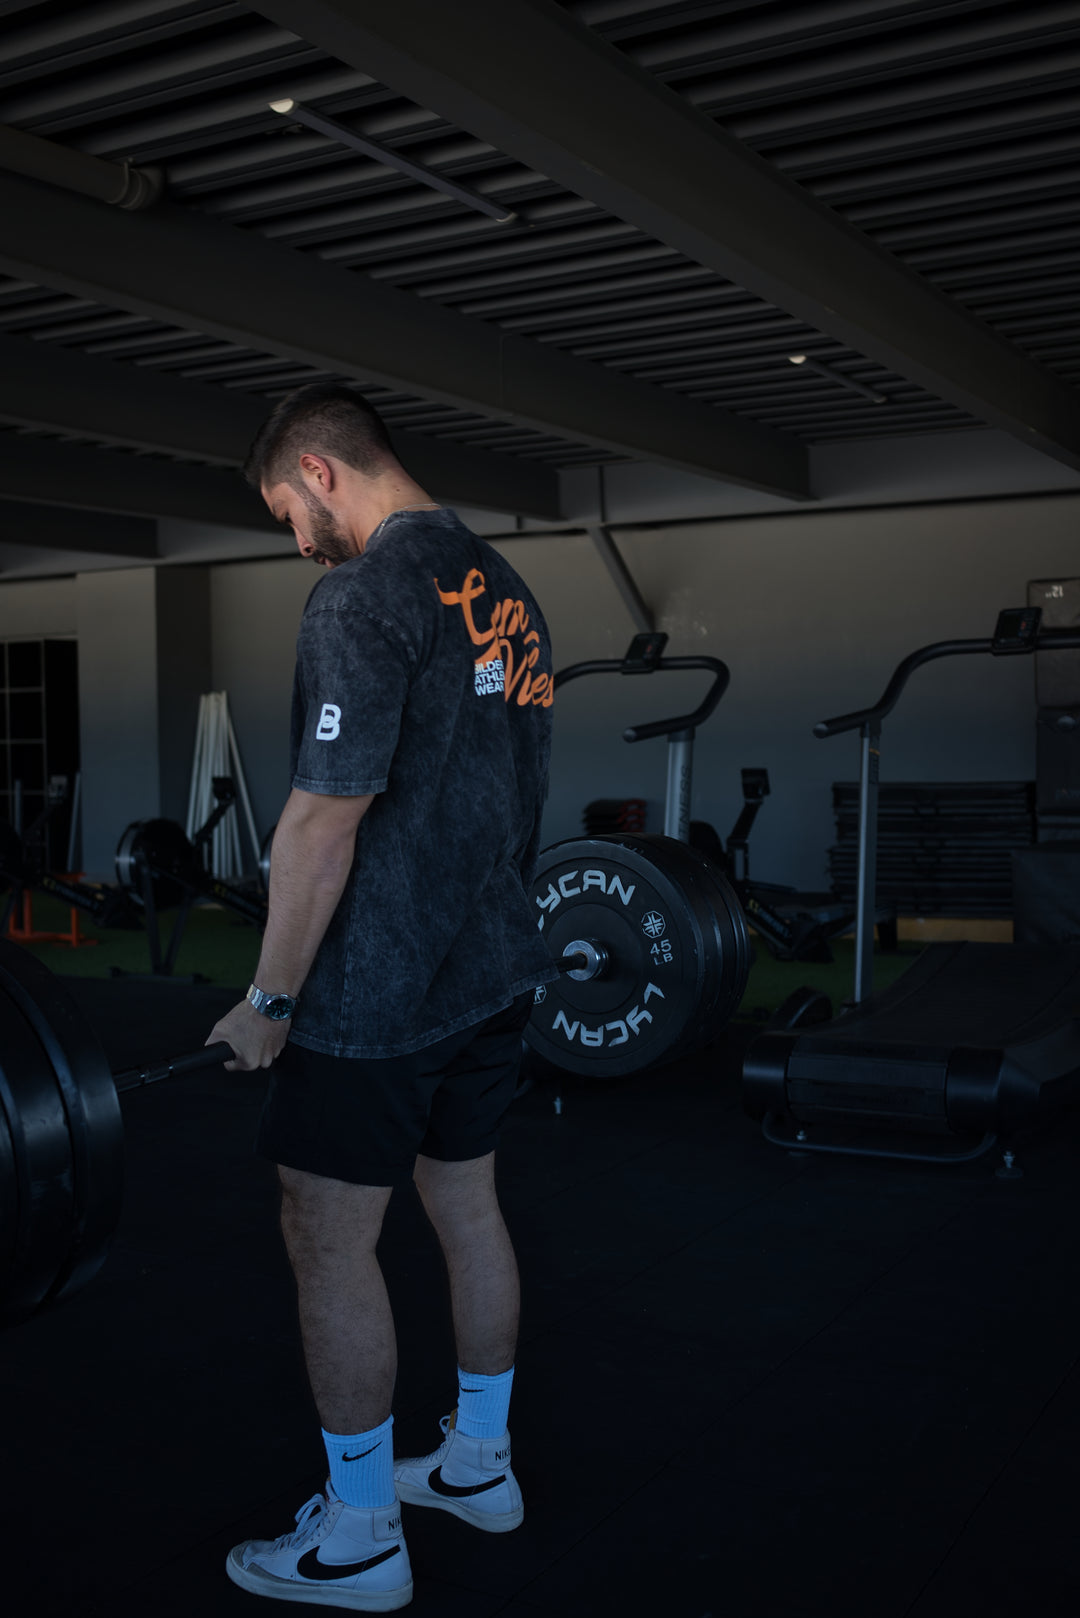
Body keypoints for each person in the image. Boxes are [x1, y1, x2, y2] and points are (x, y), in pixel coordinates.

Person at [208, 383, 557, 1612]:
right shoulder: (508, 588)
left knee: (328, 1234)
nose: (299, 543)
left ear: (320, 469)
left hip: (378, 990)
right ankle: (477, 1463)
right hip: (495, 965)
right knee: (466, 1204)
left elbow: (321, 818)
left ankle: (359, 1532)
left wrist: (270, 998)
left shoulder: (359, 595)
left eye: (290, 515)